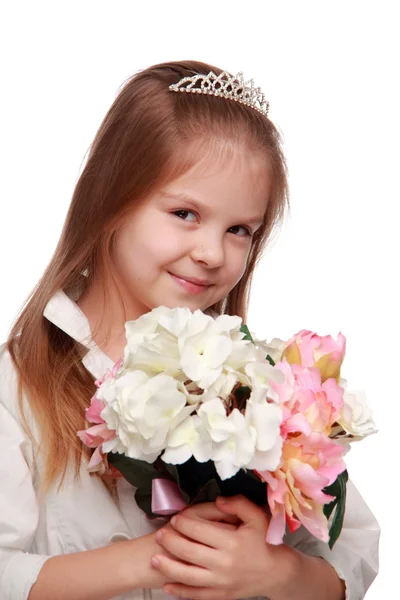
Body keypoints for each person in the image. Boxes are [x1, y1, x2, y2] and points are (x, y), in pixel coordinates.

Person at [0, 60, 379, 600]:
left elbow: (352, 558)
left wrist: (277, 572)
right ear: (112, 200)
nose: (210, 253)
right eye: (184, 213)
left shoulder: (259, 386)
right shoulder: (17, 388)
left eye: (239, 229)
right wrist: (156, 557)